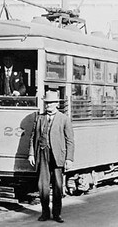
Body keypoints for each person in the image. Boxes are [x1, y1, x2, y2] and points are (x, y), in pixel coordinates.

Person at [28, 90, 74, 223]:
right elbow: (32, 137)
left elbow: (70, 140)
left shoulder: (64, 119)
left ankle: (57, 214)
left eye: (51, 103)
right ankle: (45, 213)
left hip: (58, 155)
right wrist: (31, 153)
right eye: (46, 103)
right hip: (42, 154)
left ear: (56, 104)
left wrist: (69, 158)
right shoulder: (40, 118)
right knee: (43, 186)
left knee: (58, 186)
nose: (48, 105)